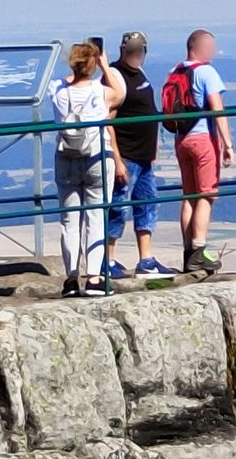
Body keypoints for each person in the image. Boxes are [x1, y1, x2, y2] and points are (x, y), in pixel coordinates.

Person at [49, 42, 125, 297]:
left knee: (69, 220)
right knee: (95, 217)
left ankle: (71, 279)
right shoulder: (99, 91)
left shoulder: (57, 90)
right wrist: (105, 64)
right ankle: (94, 277)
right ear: (93, 64)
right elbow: (120, 93)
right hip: (97, 157)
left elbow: (61, 84)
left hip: (65, 158)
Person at [104, 31, 178, 278]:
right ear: (122, 50)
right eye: (131, 50)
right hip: (126, 155)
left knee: (147, 204)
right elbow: (108, 121)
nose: (136, 55)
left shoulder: (140, 74)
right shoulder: (115, 76)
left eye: (140, 50)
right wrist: (116, 159)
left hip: (144, 155)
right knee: (118, 207)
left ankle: (146, 260)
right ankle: (107, 260)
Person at [173, 29, 233, 273]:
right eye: (211, 47)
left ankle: (188, 250)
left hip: (181, 138)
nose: (214, 52)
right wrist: (227, 143)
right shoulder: (206, 71)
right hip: (202, 138)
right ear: (199, 47)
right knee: (206, 195)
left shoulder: (176, 71)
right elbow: (217, 109)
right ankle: (199, 251)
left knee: (189, 195)